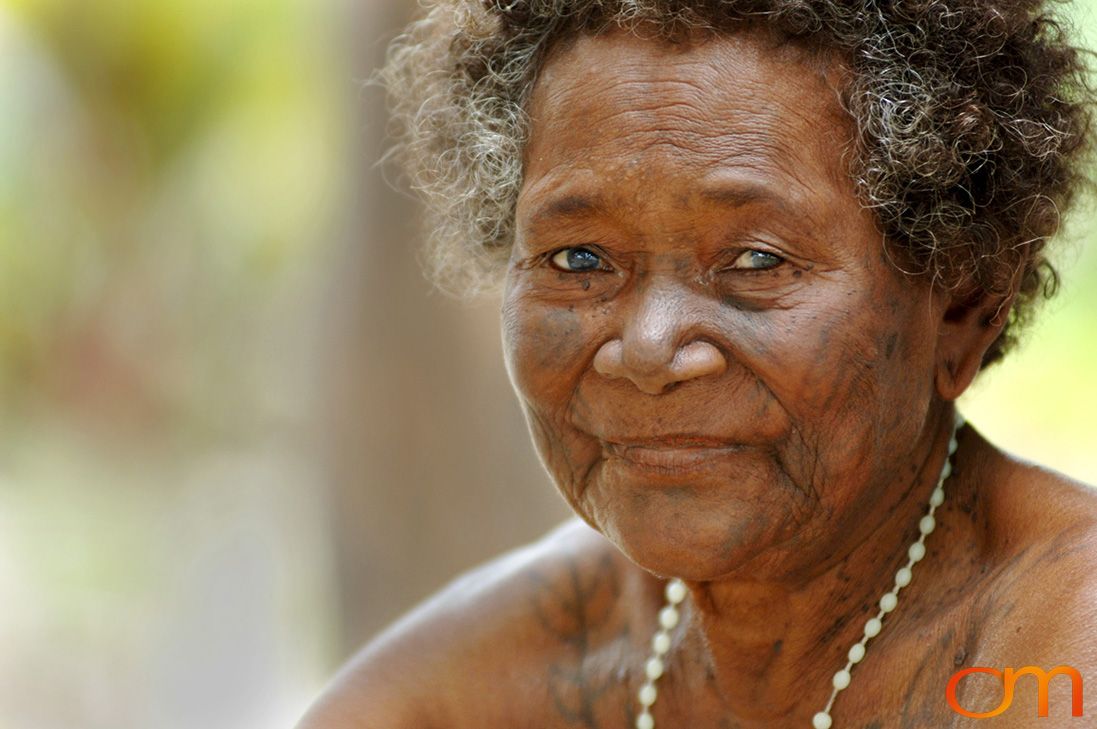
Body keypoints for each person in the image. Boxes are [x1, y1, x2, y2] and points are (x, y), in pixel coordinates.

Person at [300, 1, 1097, 726]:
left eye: (754, 259)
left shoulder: (1062, 655)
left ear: (961, 307)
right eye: (578, 258)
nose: (647, 350)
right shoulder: (465, 692)